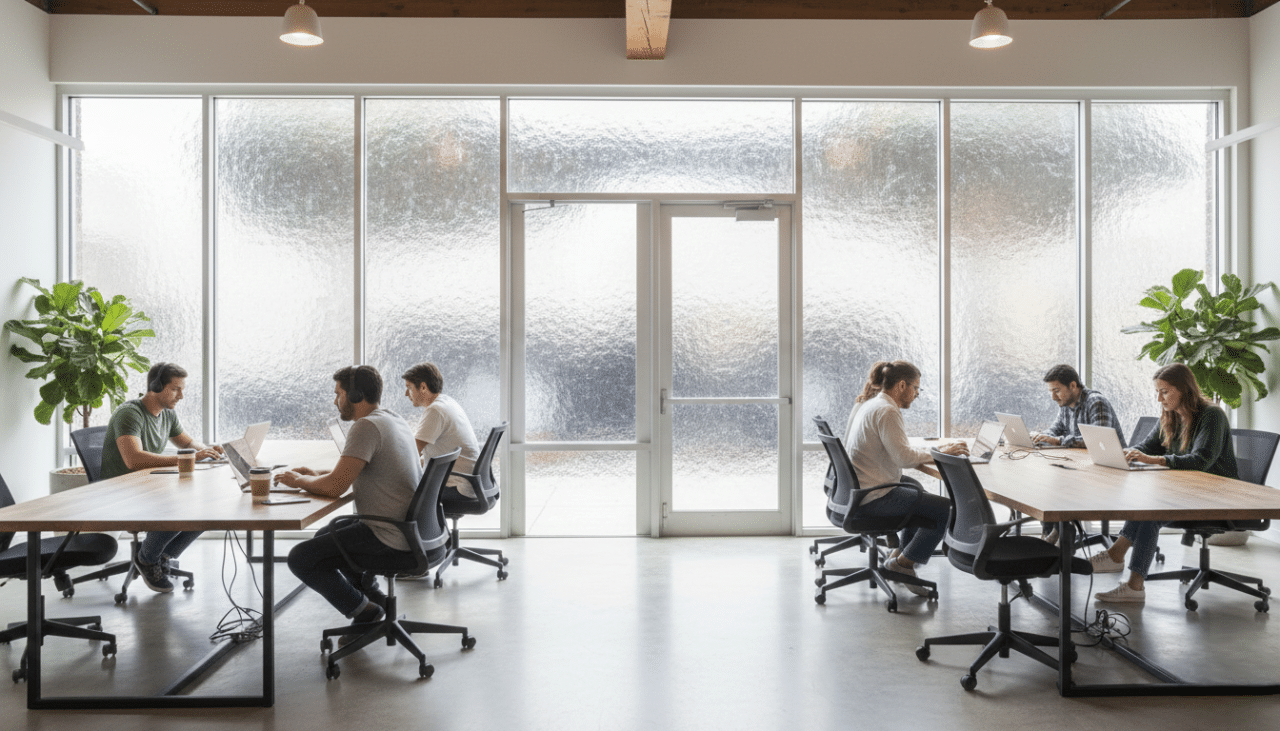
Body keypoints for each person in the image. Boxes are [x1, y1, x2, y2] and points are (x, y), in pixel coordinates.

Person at [282, 365, 428, 632]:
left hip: (389, 535)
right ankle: (375, 600)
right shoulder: (392, 419)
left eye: (338, 394)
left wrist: (298, 481)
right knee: (325, 536)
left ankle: (364, 610)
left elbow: (335, 488)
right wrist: (318, 475)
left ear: (355, 395)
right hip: (410, 529)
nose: (335, 401)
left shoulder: (365, 426)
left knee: (300, 558)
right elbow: (352, 472)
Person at [1090, 363, 1239, 604]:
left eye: (1165, 392)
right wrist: (1127, 453)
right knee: (1147, 506)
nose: (1159, 398)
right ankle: (1117, 557)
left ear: (1184, 389)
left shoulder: (1212, 415)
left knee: (1152, 513)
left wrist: (1155, 460)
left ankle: (1132, 582)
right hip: (1188, 490)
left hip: (1218, 495)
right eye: (1157, 392)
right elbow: (1147, 446)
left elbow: (1201, 460)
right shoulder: (1171, 415)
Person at [843, 360, 968, 597]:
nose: (917, 394)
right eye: (916, 388)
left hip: (863, 489)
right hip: (873, 496)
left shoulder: (873, 404)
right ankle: (904, 564)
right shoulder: (887, 411)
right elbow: (903, 458)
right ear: (902, 385)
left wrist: (935, 451)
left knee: (917, 489)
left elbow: (899, 451)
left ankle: (897, 555)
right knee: (944, 509)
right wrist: (941, 452)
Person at [99, 361, 223, 594]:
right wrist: (188, 458)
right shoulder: (130, 413)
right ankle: (147, 559)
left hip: (147, 485)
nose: (181, 396)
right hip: (120, 492)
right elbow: (133, 459)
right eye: (175, 389)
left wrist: (207, 451)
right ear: (156, 386)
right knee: (178, 506)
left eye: (182, 389)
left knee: (208, 508)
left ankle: (160, 556)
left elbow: (187, 442)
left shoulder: (167, 414)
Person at [401, 362, 480, 502]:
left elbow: (412, 452)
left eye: (409, 387)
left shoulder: (435, 411)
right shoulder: (447, 402)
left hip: (458, 486)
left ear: (423, 387)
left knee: (398, 495)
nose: (406, 393)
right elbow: (430, 452)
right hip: (470, 482)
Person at [1031, 364, 1121, 449]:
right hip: (1082, 457)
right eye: (1051, 392)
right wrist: (1039, 437)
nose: (1053, 397)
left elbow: (1099, 439)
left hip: (1112, 459)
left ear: (1073, 386)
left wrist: (1058, 441)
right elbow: (1055, 429)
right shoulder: (1066, 404)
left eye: (1057, 391)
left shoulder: (1096, 402)